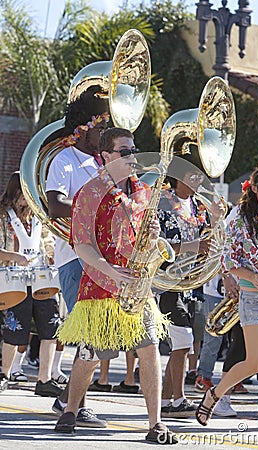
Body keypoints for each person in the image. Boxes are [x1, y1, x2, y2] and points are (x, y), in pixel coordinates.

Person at [53, 127, 178, 444]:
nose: (132, 156)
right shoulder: (89, 193)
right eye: (125, 151)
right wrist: (108, 268)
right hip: (100, 287)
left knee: (150, 351)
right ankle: (69, 410)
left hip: (138, 286)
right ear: (105, 156)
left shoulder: (144, 193)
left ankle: (156, 424)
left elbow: (149, 237)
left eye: (133, 149)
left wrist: (154, 249)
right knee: (90, 354)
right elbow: (82, 244)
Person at [196, 167, 258, 432]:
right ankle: (215, 394)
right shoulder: (239, 217)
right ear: (254, 187)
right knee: (254, 361)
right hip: (253, 293)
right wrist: (251, 276)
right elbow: (227, 259)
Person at [46, 90, 110, 427]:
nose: (105, 134)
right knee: (89, 332)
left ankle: (67, 401)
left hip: (103, 259)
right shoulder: (64, 160)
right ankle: (73, 405)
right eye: (102, 127)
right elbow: (55, 204)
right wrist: (99, 215)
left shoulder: (104, 163)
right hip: (73, 258)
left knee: (98, 334)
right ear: (85, 127)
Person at [157, 155, 225, 418]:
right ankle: (179, 398)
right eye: (194, 175)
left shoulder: (198, 206)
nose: (199, 180)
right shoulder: (161, 202)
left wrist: (217, 219)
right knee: (183, 340)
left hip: (189, 283)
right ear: (179, 176)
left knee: (181, 343)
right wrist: (192, 247)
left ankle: (166, 401)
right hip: (164, 283)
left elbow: (210, 239)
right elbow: (157, 246)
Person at [0, 172, 62, 397]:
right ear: (14, 193)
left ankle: (44, 378)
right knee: (15, 330)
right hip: (15, 279)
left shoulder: (38, 216)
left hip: (42, 278)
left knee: (50, 328)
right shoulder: (2, 216)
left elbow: (47, 240)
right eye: (22, 195)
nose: (26, 200)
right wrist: (12, 256)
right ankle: (5, 374)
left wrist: (52, 253)